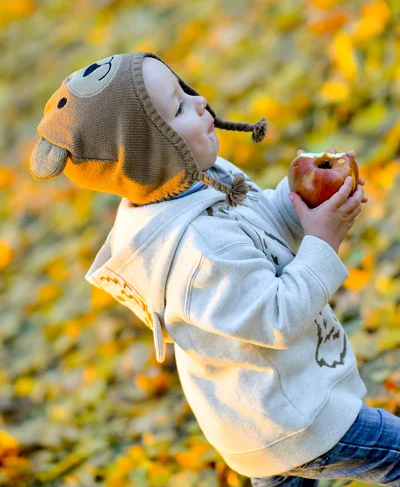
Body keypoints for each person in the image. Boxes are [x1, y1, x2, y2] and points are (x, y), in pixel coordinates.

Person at [29, 52, 399, 485]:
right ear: (151, 153)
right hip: (292, 417)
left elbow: (259, 228)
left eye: (186, 90)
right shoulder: (197, 251)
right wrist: (324, 240)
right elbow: (277, 317)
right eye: (180, 107)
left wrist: (303, 199)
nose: (201, 100)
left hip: (263, 416)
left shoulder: (197, 180)